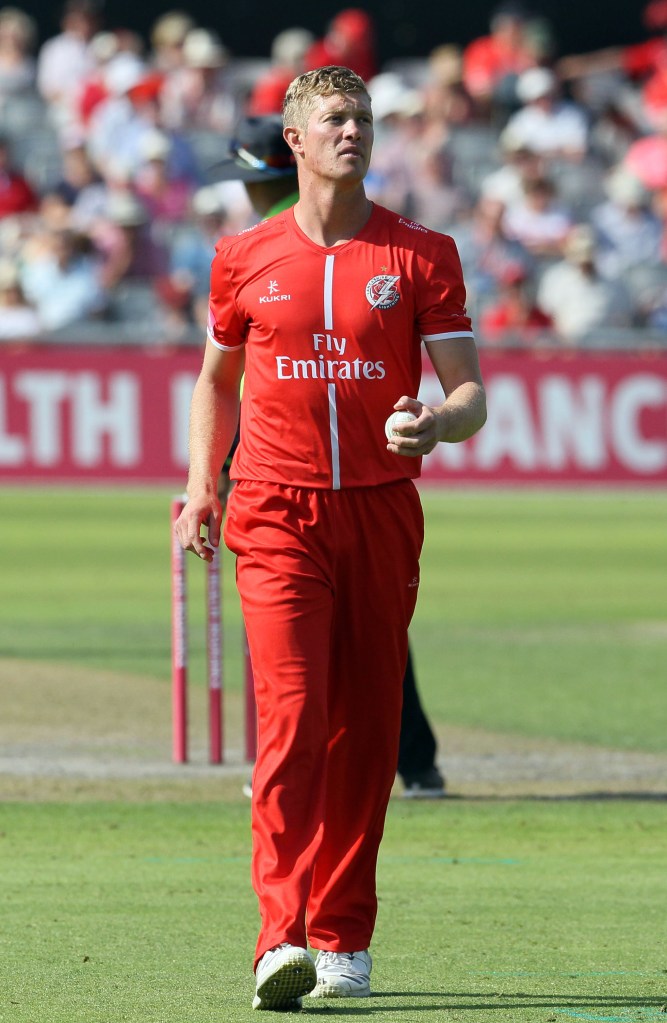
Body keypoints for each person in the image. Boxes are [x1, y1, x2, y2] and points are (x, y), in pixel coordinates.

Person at [174, 66, 486, 1010]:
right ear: (296, 141)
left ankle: (343, 933)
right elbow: (216, 381)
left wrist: (435, 422)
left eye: (362, 118)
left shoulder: (421, 252)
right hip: (275, 510)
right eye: (334, 119)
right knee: (293, 714)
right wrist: (201, 487)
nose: (352, 131)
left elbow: (469, 395)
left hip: (382, 511)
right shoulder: (242, 255)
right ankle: (280, 936)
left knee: (366, 727)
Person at [212, 112, 449, 799]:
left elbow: (240, 377)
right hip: (300, 457)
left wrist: (221, 468)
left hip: (294, 454)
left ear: (269, 175)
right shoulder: (279, 233)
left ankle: (304, 765)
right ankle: (410, 759)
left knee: (314, 645)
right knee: (362, 638)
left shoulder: (274, 236)